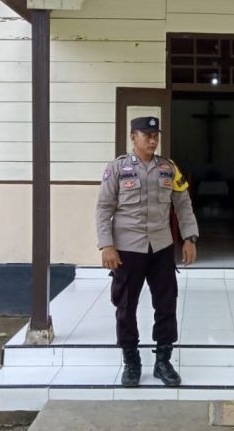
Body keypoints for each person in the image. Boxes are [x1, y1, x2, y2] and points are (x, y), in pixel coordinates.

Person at [95, 116, 199, 388]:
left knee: (166, 304)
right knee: (125, 306)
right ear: (133, 137)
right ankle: (131, 361)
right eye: (146, 135)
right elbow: (104, 208)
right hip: (127, 249)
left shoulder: (168, 168)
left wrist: (189, 237)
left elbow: (183, 203)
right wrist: (107, 245)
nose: (152, 140)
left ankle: (163, 361)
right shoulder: (117, 168)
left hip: (161, 247)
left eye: (155, 136)